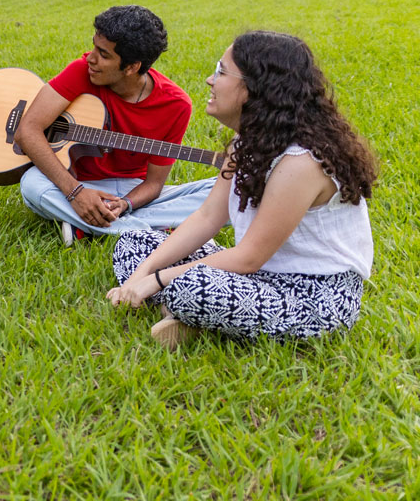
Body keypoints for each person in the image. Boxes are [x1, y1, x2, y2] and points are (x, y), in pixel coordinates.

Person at [107, 32, 375, 347]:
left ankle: (190, 311)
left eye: (221, 72)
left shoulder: (300, 162)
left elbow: (249, 257)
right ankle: (193, 316)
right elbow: (207, 217)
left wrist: (154, 281)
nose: (210, 80)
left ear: (254, 88)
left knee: (192, 287)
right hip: (256, 277)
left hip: (312, 298)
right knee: (135, 243)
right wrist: (145, 271)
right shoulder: (246, 141)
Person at [17, 5, 215, 246]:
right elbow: (27, 130)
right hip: (72, 181)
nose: (91, 58)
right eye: (94, 46)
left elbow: (153, 184)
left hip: (131, 189)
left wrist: (126, 204)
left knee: (224, 190)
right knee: (31, 184)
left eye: (104, 54)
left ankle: (91, 227)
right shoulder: (82, 71)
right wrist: (75, 193)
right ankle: (155, 233)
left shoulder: (176, 105)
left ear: (132, 67)